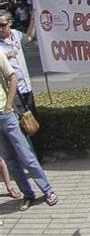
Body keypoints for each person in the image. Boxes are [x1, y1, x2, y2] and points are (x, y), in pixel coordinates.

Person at [0, 52, 56, 211]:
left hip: (6, 116)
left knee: (26, 156)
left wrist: (8, 106)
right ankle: (28, 194)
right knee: (10, 161)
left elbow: (12, 77)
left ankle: (47, 190)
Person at [0, 10, 39, 159]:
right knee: (21, 126)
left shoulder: (16, 34)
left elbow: (29, 37)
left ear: (9, 23)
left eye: (3, 25)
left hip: (26, 87)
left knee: (33, 122)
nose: (1, 28)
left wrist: (34, 19)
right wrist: (4, 56)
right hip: (12, 91)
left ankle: (37, 157)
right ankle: (28, 158)